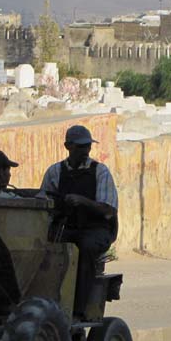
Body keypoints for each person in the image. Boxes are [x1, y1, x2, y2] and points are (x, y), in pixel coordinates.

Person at [40, 125, 118, 317]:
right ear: (68, 146)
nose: (85, 151)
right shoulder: (55, 172)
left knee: (86, 247)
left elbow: (108, 210)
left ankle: (78, 309)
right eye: (80, 147)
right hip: (67, 226)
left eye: (87, 146)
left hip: (95, 229)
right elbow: (43, 202)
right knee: (43, 248)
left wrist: (83, 202)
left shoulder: (100, 172)